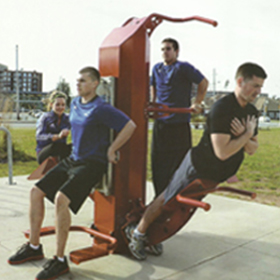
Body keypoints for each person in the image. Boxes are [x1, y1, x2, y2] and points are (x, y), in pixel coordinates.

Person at [126, 62, 267, 261]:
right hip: (198, 166)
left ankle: (153, 235)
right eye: (255, 85)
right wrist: (246, 135)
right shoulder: (222, 109)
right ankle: (138, 233)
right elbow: (222, 152)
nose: (258, 91)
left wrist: (246, 137)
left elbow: (253, 149)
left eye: (260, 87)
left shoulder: (251, 112)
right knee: (168, 199)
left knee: (180, 211)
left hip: (216, 173)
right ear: (240, 81)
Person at [8, 67, 137, 280]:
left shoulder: (101, 108)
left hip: (92, 163)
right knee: (36, 192)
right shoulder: (76, 103)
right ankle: (34, 246)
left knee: (61, 199)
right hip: (73, 159)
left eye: (83, 81)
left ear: (95, 84)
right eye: (77, 81)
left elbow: (129, 125)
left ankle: (59, 261)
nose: (78, 84)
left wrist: (112, 149)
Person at [150, 38, 209, 198]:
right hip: (161, 124)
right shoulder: (156, 68)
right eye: (162, 49)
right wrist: (153, 104)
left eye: (168, 49)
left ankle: (178, 197)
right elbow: (154, 88)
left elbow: (203, 82)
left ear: (176, 51)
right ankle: (159, 199)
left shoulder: (183, 67)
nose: (165, 52)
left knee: (180, 164)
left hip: (179, 124)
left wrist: (197, 102)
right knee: (158, 164)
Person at [36, 90, 71, 164]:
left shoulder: (67, 118)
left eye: (63, 105)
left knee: (73, 147)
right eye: (57, 105)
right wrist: (56, 137)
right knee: (57, 146)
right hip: (44, 151)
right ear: (52, 104)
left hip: (61, 151)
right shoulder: (45, 117)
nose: (60, 107)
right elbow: (39, 137)